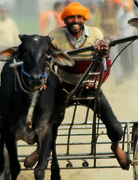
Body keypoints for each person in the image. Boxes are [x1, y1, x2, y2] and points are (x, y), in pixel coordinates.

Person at [24, 2, 130, 170]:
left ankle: (116, 146)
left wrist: (97, 81)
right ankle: (39, 150)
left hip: (90, 87)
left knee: (115, 127)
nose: (75, 20)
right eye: (71, 17)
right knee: (47, 124)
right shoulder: (55, 36)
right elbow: (44, 62)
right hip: (63, 87)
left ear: (84, 19)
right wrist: (45, 81)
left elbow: (106, 62)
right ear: (65, 19)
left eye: (79, 17)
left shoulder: (95, 34)